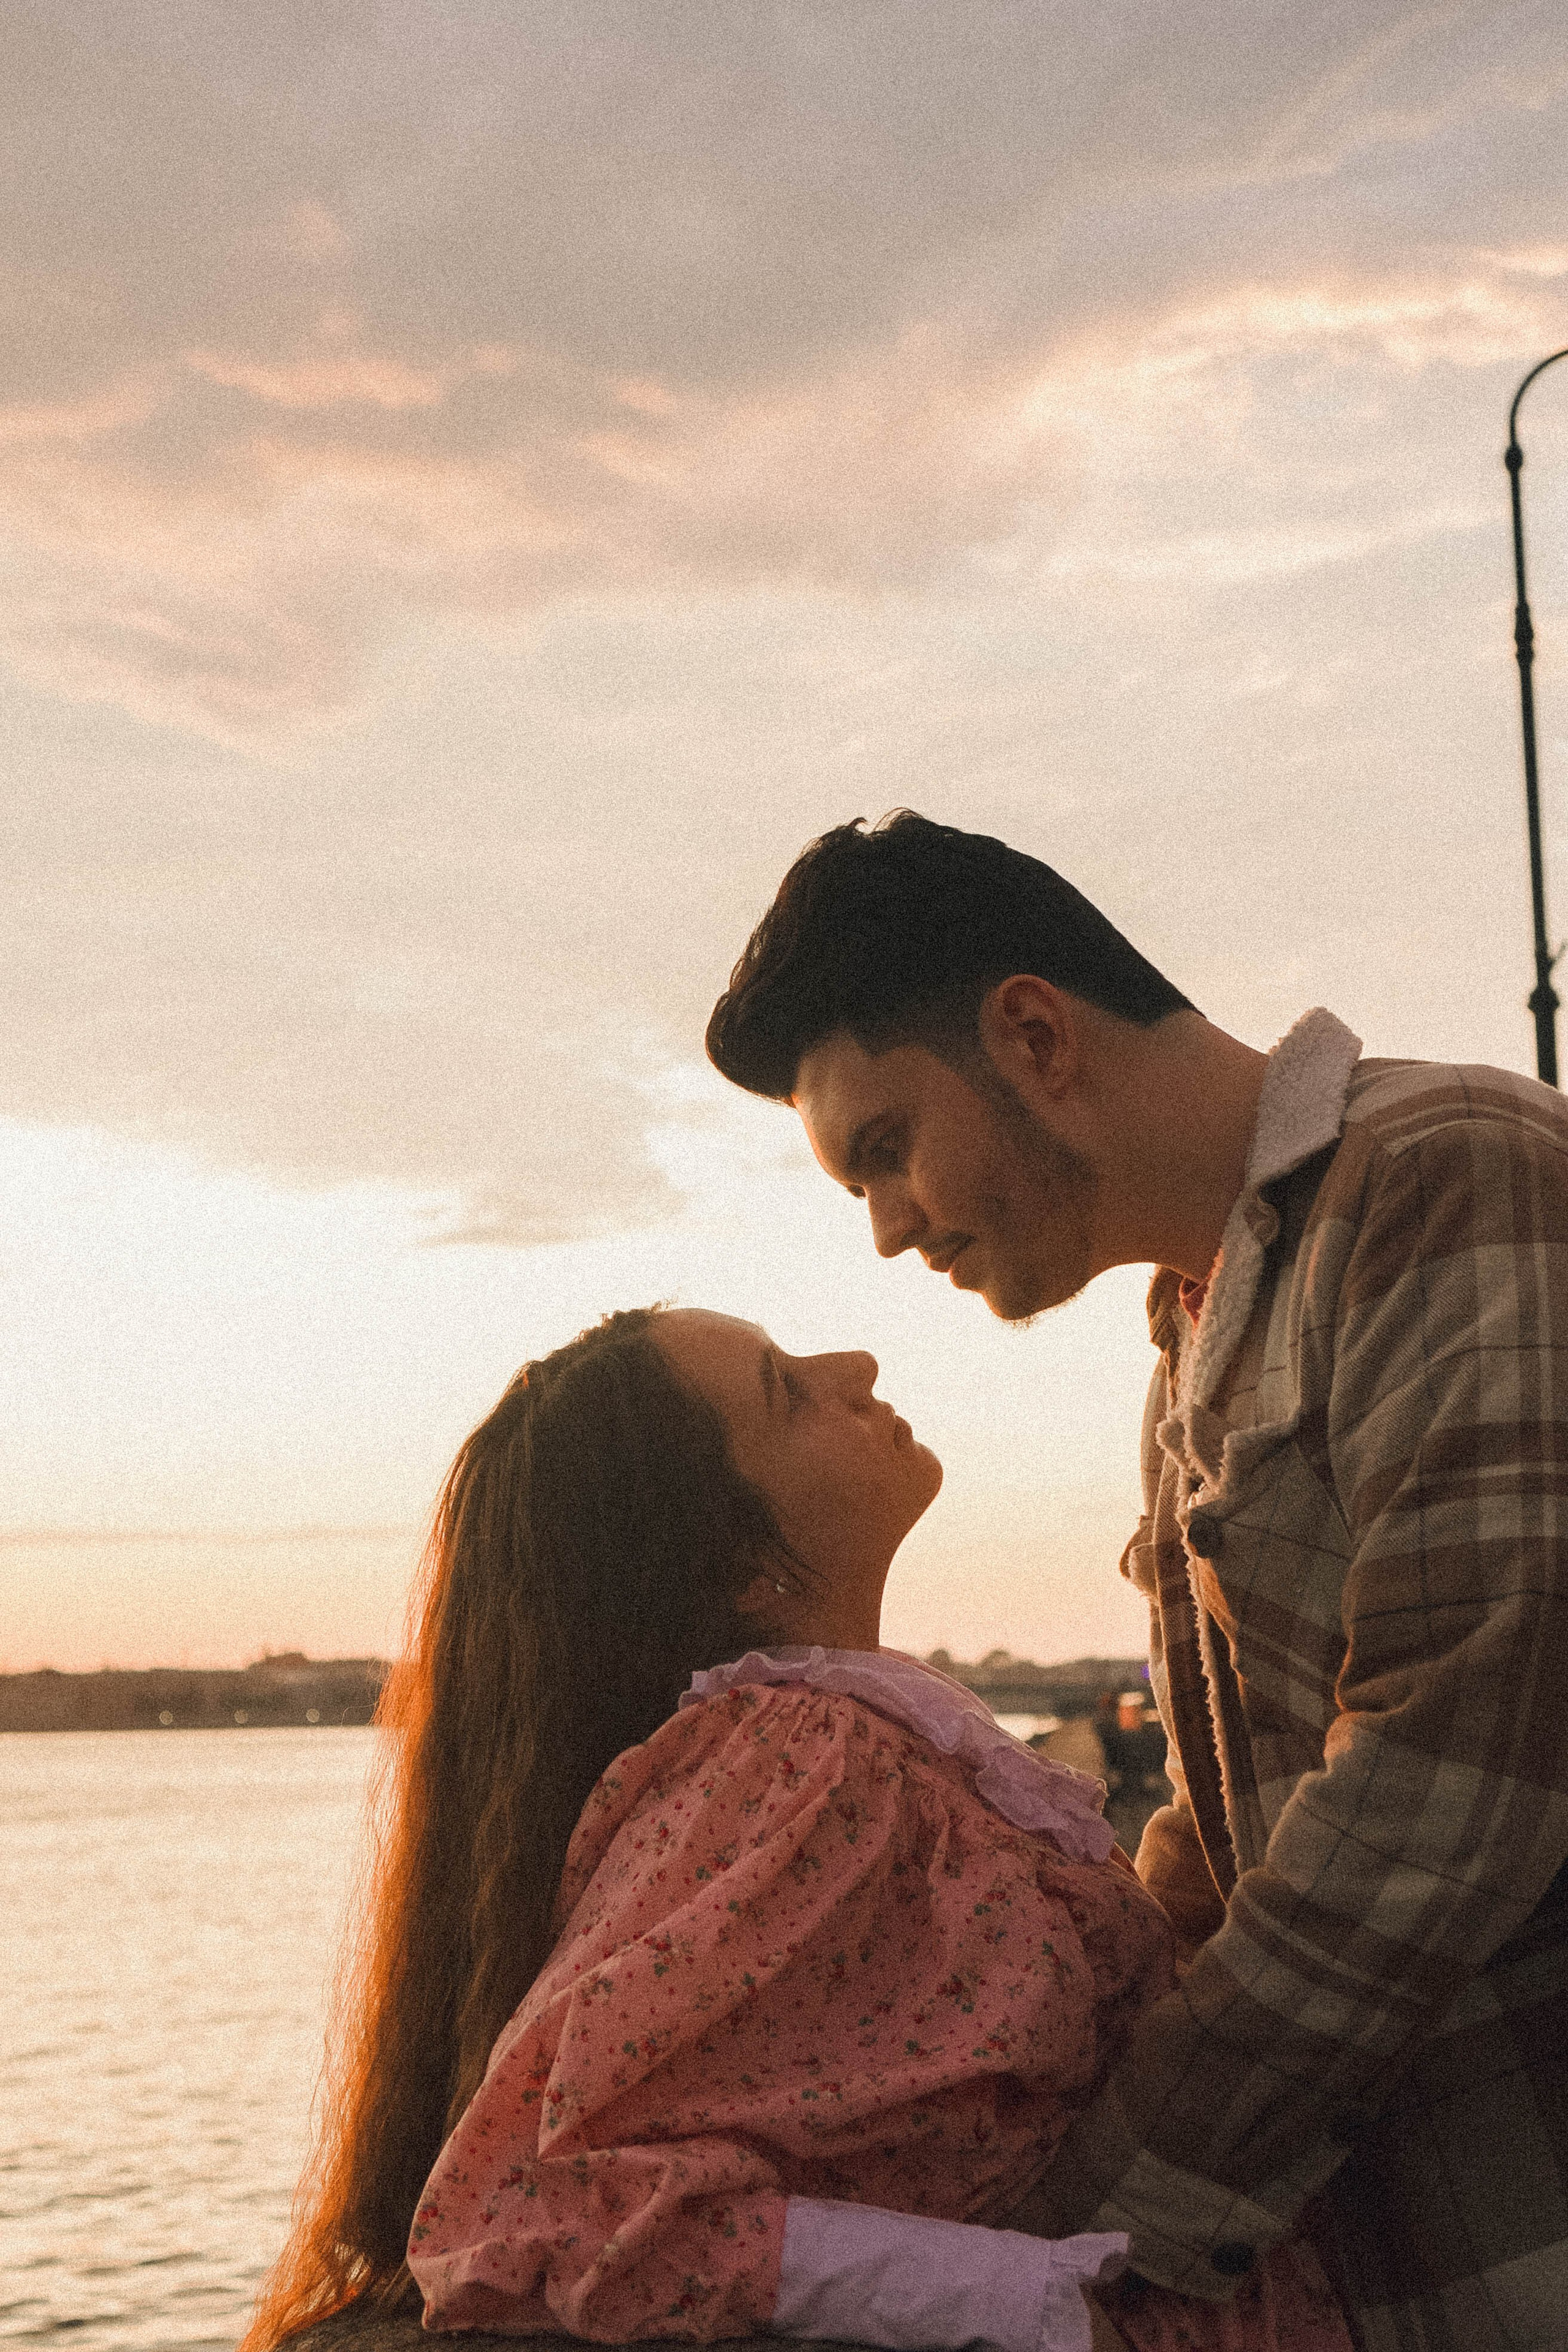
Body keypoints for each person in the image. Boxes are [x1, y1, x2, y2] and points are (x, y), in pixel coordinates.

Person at [706, 809, 1568, 2351]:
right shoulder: (1189, 1338)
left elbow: (1448, 1783)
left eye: (886, 1149)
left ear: (1031, 1034)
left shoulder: (1450, 1176)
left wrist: (1071, 2233)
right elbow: (1231, 1828)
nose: (890, 1231)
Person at [242, 1306, 1346, 2352]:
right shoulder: (798, 1760)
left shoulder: (864, 1745)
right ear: (743, 1570)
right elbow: (542, 2211)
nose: (854, 1369)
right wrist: (1029, 2299)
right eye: (787, 1391)